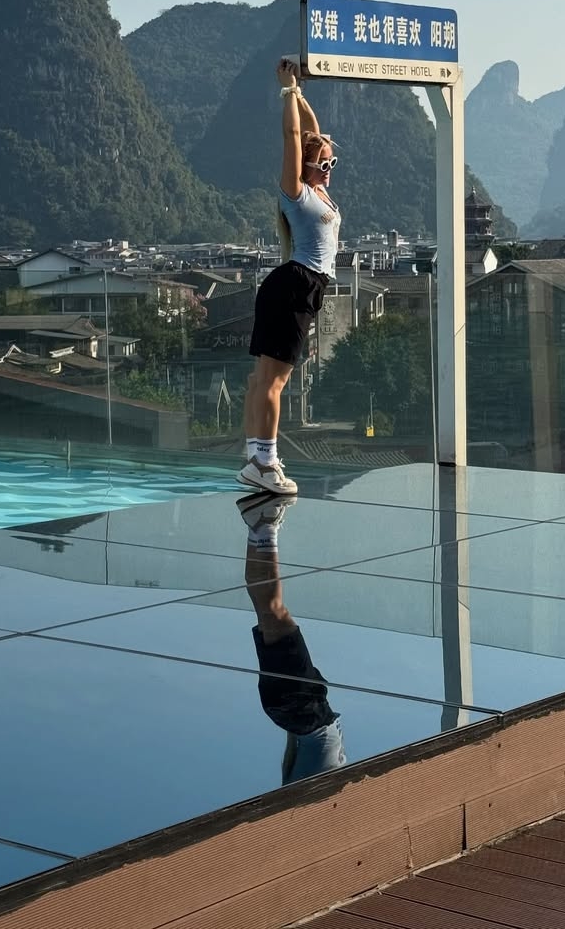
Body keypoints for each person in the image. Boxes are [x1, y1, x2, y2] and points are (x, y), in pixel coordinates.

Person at [240, 59, 341, 496]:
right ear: (304, 167)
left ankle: (255, 459)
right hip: (295, 284)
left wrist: (300, 92)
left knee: (263, 379)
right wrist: (286, 91)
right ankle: (265, 462)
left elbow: (312, 131)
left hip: (304, 287)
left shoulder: (319, 191)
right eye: (321, 163)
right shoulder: (296, 193)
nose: (328, 168)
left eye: (332, 162)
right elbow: (294, 137)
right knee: (274, 381)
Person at [237, 490, 346, 784]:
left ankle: (263, 524)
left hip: (303, 711)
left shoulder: (318, 795)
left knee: (273, 610)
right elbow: (290, 759)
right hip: (294, 712)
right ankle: (259, 527)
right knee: (267, 611)